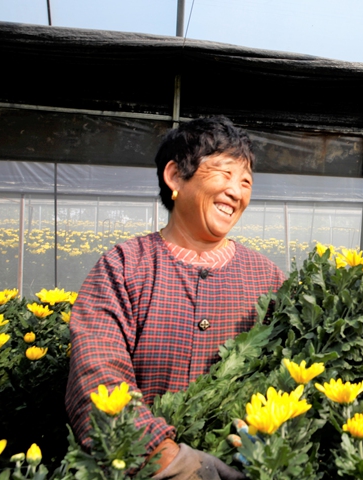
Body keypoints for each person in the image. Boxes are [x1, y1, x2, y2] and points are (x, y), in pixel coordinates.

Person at [66, 116, 286, 480]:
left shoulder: (268, 278)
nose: (237, 191)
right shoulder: (124, 265)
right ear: (174, 176)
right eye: (224, 174)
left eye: (246, 181)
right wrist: (161, 455)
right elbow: (97, 369)